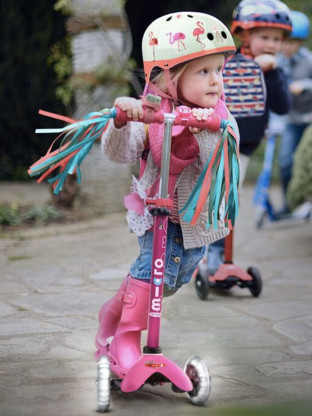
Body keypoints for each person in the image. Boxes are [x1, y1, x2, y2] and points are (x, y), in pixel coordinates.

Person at [94, 11, 239, 377]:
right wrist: (123, 120)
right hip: (156, 216)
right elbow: (120, 152)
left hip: (194, 219)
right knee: (150, 273)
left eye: (219, 71)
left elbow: (228, 144)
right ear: (170, 77)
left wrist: (208, 127)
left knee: (173, 279)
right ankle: (127, 338)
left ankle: (114, 308)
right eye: (203, 72)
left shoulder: (218, 114)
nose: (216, 81)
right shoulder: (153, 113)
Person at [202, 0, 292, 275]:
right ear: (243, 35)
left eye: (276, 39)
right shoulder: (227, 66)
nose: (271, 44)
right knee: (220, 201)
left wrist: (272, 72)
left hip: (245, 148)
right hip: (220, 144)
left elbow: (282, 106)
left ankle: (221, 256)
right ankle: (213, 256)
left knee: (229, 202)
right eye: (264, 37)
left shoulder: (273, 70)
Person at [276, 10, 312, 215]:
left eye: (291, 42)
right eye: (283, 41)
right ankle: (290, 204)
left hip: (309, 120)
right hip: (291, 120)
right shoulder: (278, 61)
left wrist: (305, 85)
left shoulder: (308, 60)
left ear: (300, 42)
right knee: (286, 162)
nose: (286, 47)